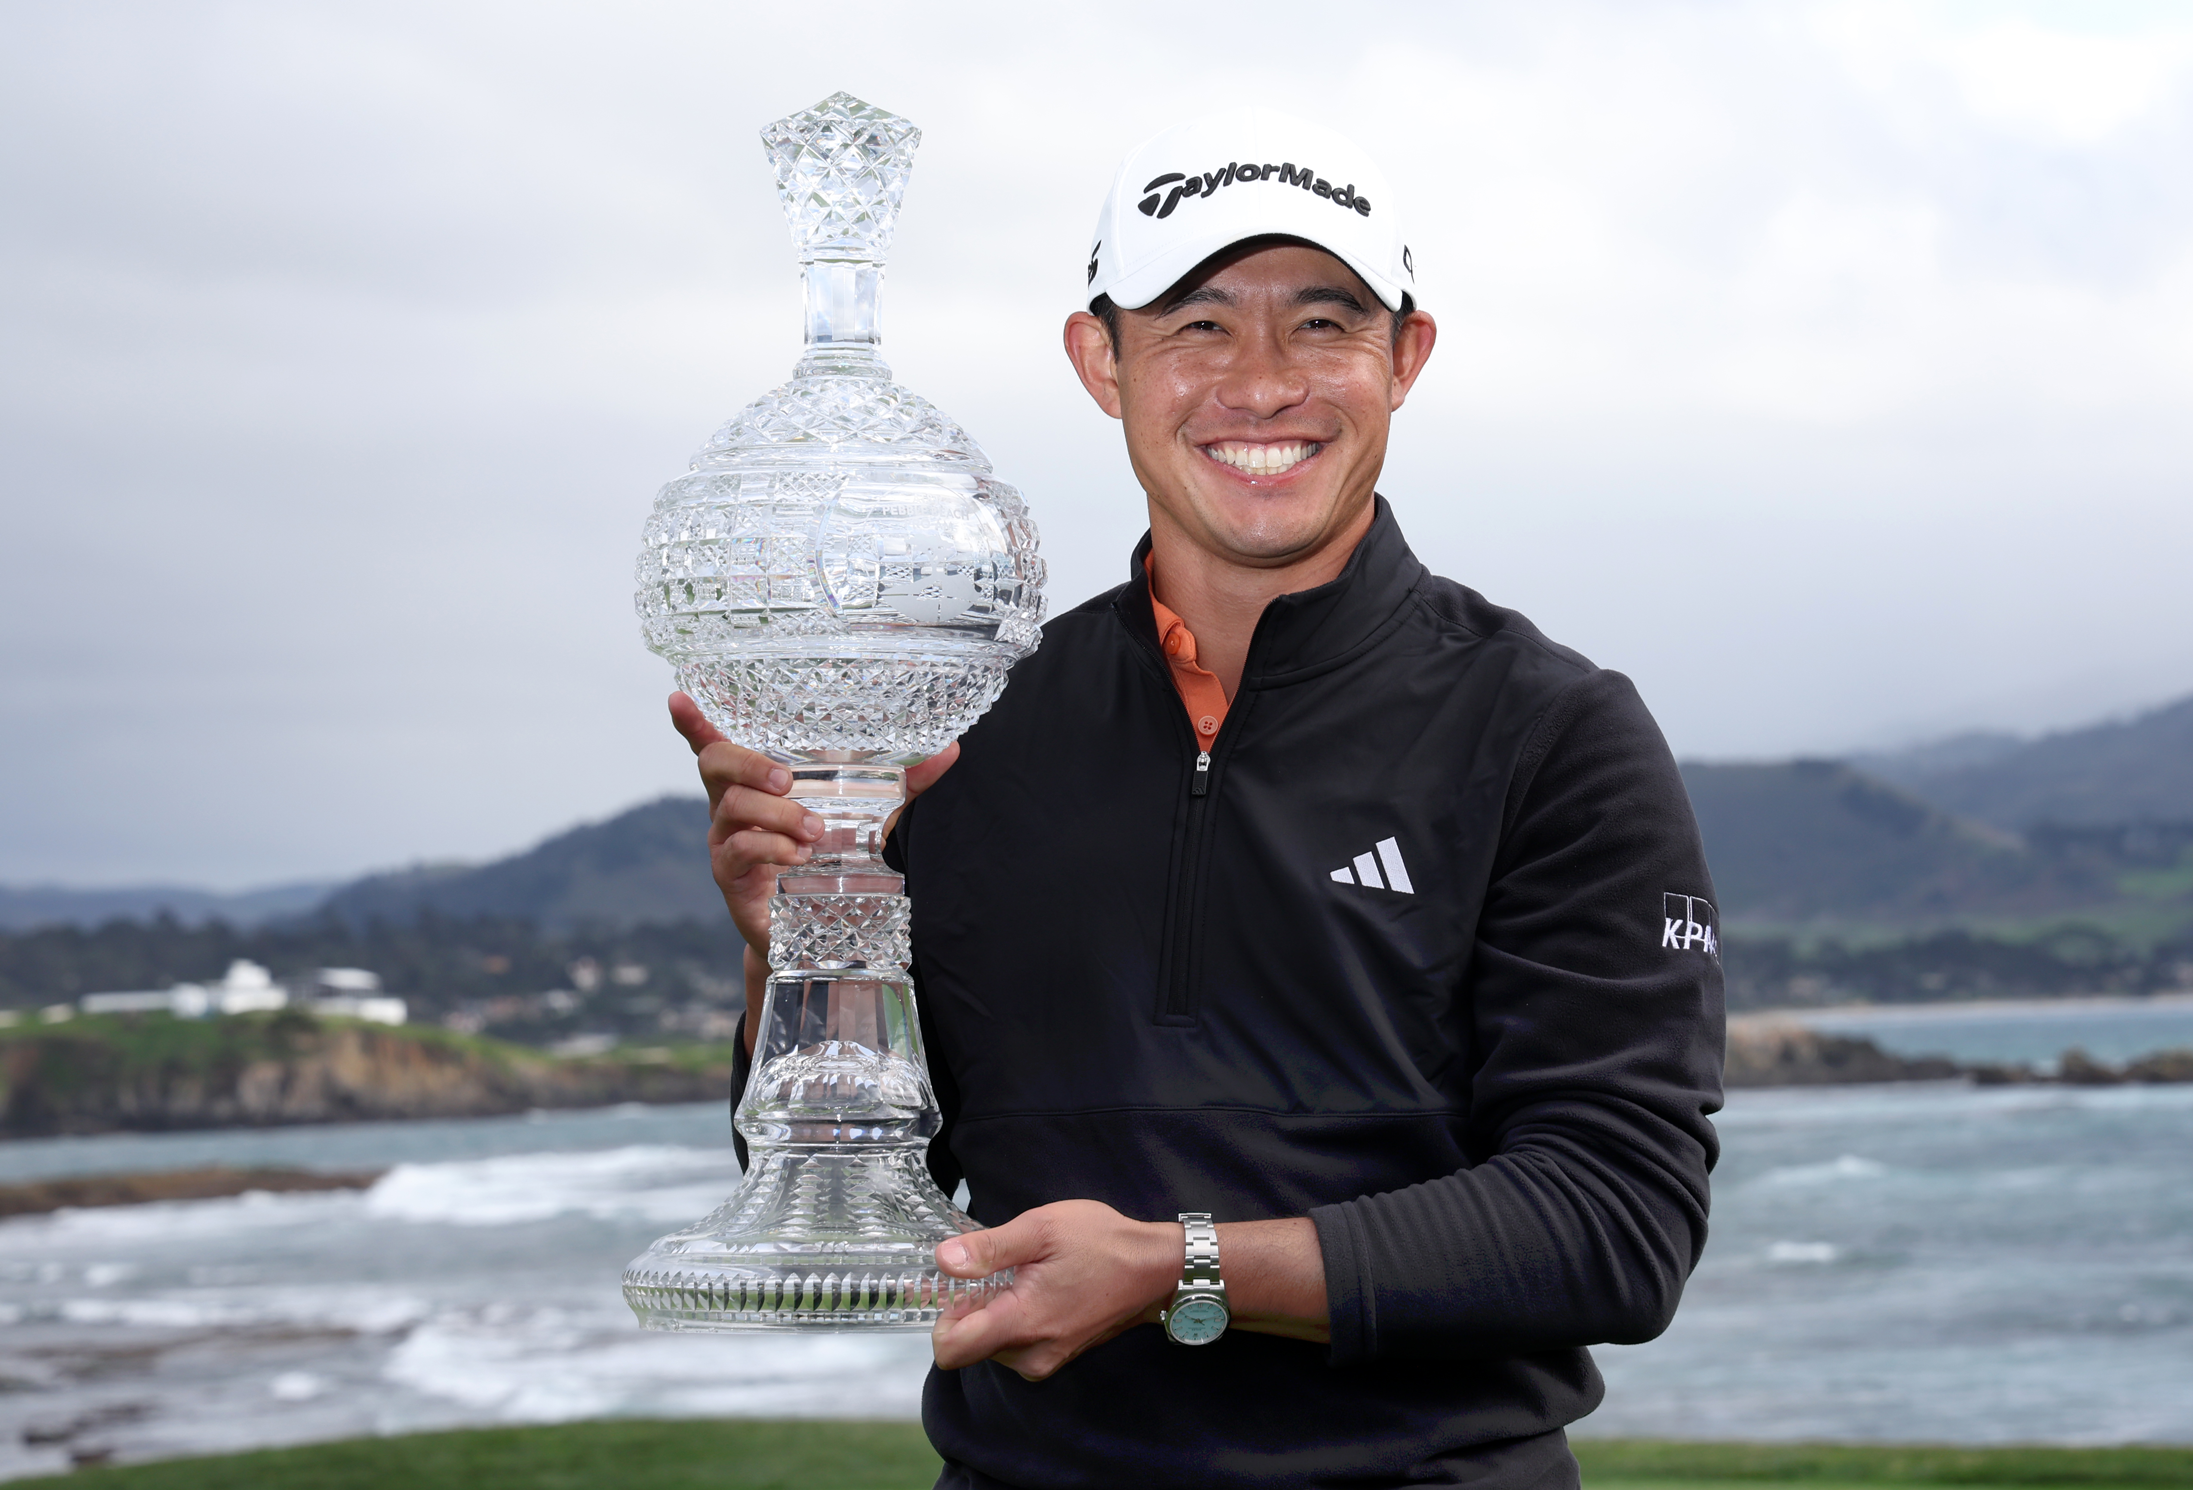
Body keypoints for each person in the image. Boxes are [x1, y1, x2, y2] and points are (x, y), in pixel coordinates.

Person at [669, 108, 1727, 1490]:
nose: (1264, 383)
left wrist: (1181, 1269)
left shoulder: (1554, 732)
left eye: (1324, 324)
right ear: (1099, 361)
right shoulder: (961, 730)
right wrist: (796, 951)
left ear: (1406, 358)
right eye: (1198, 326)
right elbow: (851, 1182)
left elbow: (1616, 1222)